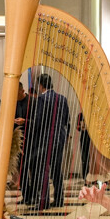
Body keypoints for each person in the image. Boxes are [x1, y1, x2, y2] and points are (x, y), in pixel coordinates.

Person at [21, 73, 70, 209]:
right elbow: (66, 119)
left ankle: (44, 201)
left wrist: (30, 129)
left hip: (45, 139)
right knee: (56, 170)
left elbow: (38, 121)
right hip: (59, 138)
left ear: (41, 85)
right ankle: (59, 199)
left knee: (42, 170)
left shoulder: (42, 99)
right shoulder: (62, 98)